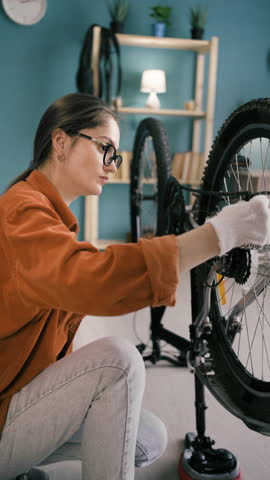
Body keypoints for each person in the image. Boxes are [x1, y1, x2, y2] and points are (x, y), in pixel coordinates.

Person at [0, 92, 269, 480]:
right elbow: (94, 279)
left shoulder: (46, 214)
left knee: (149, 438)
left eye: (117, 155)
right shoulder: (22, 210)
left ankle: (21, 464)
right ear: (60, 142)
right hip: (4, 410)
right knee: (119, 360)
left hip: (17, 391)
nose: (112, 164)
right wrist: (219, 234)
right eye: (105, 148)